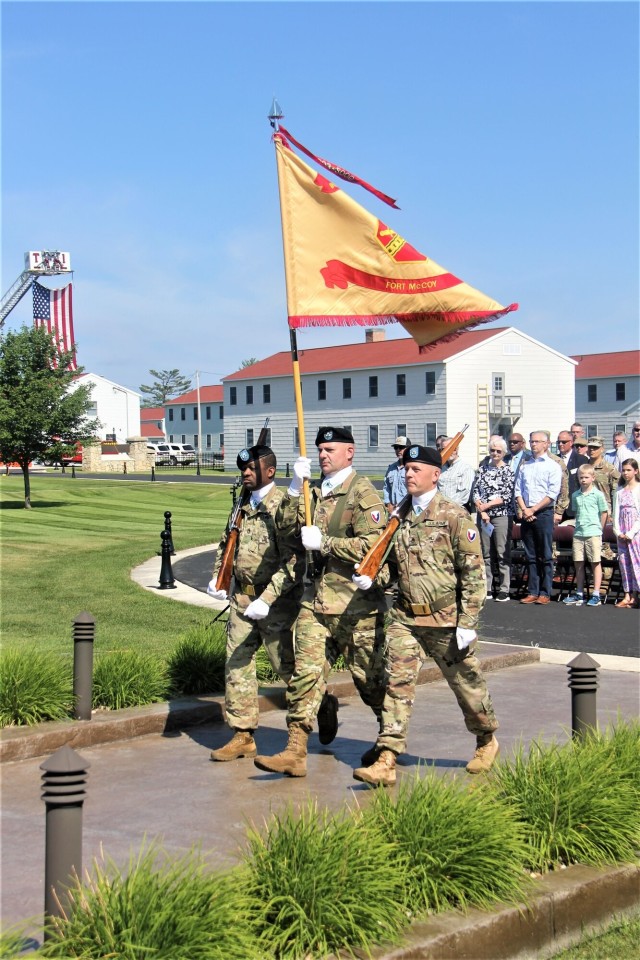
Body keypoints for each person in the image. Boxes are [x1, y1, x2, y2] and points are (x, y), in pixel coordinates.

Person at [350, 444, 499, 786]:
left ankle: (486, 739)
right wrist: (371, 577)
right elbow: (390, 567)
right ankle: (387, 758)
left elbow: (474, 574)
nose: (408, 474)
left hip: (445, 619)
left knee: (467, 686)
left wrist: (469, 622)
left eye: (416, 469)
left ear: (436, 474)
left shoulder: (454, 515)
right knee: (397, 684)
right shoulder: (397, 517)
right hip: (405, 618)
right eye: (406, 468)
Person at [253, 426, 388, 778]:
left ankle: (389, 741)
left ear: (350, 452)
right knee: (305, 676)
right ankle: (295, 750)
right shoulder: (312, 491)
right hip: (315, 603)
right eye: (320, 450)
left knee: (370, 682)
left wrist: (325, 543)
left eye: (330, 449)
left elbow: (374, 549)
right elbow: (282, 529)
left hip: (354, 607)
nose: (323, 455)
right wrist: (295, 490)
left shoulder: (363, 494)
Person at [207, 444, 305, 761]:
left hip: (275, 602)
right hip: (241, 598)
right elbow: (227, 543)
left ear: (271, 471)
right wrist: (217, 578)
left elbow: (293, 562)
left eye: (251, 469)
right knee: (237, 664)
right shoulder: (242, 504)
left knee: (287, 669)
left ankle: (318, 707)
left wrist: (267, 598)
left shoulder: (284, 507)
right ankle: (243, 734)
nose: (246, 474)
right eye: (243, 470)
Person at [515, 431, 562, 604]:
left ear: (546, 444)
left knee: (546, 554)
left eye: (537, 441)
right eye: (532, 441)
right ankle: (533, 590)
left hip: (543, 513)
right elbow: (518, 490)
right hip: (527, 512)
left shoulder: (552, 466)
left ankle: (545, 591)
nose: (533, 444)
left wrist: (533, 509)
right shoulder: (524, 465)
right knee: (530, 555)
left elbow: (552, 493)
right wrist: (524, 509)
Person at [473, 435, 515, 602]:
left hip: (502, 515)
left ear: (504, 453)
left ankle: (504, 588)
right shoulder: (482, 469)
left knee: (501, 551)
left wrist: (487, 506)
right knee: (486, 553)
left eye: (498, 451)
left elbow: (506, 495)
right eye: (492, 450)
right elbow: (475, 491)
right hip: (483, 516)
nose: (495, 453)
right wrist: (481, 510)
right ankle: (488, 587)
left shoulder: (508, 470)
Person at [562, 464, 608, 607]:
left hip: (593, 533)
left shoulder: (598, 494)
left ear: (593, 478)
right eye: (581, 477)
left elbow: (604, 512)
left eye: (586, 477)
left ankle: (595, 594)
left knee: (595, 562)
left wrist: (599, 529)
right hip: (579, 533)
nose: (583, 480)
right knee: (579, 563)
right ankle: (579, 593)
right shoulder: (576, 495)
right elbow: (576, 512)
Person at [613, 458, 640, 608]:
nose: (626, 473)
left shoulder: (638, 489)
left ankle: (636, 595)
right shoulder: (620, 491)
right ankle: (627, 594)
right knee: (624, 563)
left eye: (629, 470)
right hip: (622, 530)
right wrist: (617, 530)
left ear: (636, 471)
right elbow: (616, 512)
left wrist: (631, 532)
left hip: (635, 532)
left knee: (636, 562)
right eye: (624, 470)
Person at [437, 439, 476, 508]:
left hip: (458, 510)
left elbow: (465, 494)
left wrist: (449, 506)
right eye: (444, 449)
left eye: (452, 448)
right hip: (440, 509)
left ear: (457, 449)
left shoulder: (466, 468)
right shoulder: (440, 468)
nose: (448, 452)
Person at [564, 438, 590, 520]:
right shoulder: (558, 459)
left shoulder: (584, 460)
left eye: (581, 446)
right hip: (561, 507)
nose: (579, 448)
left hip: (576, 504)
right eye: (577, 446)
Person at [383, 435, 410, 511]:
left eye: (401, 447)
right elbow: (386, 487)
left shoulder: (412, 468)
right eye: (396, 447)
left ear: (408, 449)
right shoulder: (391, 468)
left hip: (408, 510)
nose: (398, 450)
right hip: (393, 510)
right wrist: (388, 504)